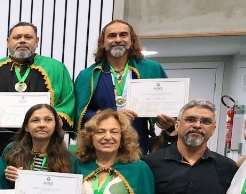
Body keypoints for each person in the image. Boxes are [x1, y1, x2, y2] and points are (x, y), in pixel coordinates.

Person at [0, 23, 76, 151]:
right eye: (17, 37)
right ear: (8, 41)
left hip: (44, 141)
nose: (22, 41)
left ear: (37, 41)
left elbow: (68, 101)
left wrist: (54, 119)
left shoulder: (56, 69)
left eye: (28, 37)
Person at [73, 20, 172, 152]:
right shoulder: (87, 75)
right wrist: (112, 116)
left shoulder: (152, 69)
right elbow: (80, 115)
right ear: (103, 42)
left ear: (132, 40)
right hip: (101, 146)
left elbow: (168, 104)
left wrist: (167, 120)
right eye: (112, 36)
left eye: (123, 35)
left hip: (138, 145)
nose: (118, 39)